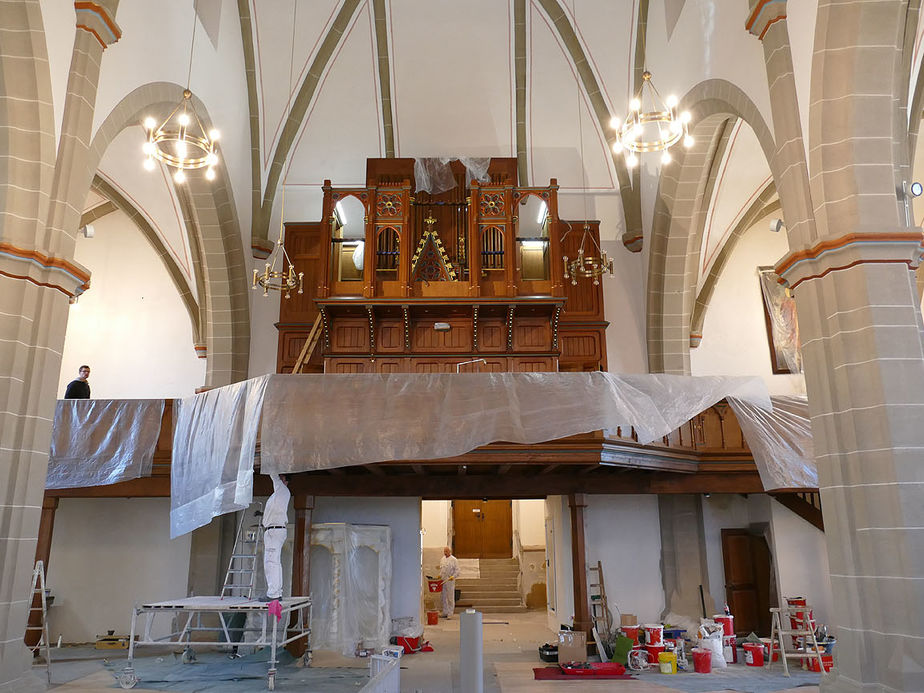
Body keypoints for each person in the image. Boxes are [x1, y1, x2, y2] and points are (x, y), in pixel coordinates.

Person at [260, 473, 290, 602]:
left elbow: (274, 476)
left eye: (282, 478)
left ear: (285, 481)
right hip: (274, 529)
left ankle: (273, 594)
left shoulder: (282, 490)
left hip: (274, 530)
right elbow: (275, 511)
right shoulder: (278, 495)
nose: (279, 479)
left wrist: (270, 461)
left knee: (271, 563)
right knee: (274, 562)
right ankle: (276, 592)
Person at [439, 546, 460, 618]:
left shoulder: (454, 560)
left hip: (450, 580)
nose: (445, 553)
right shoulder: (442, 559)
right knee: (443, 597)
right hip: (443, 580)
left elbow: (457, 571)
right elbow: (442, 569)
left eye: (446, 551)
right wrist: (439, 575)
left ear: (449, 551)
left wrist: (453, 577)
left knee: (450, 597)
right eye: (444, 551)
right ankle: (445, 612)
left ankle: (450, 613)